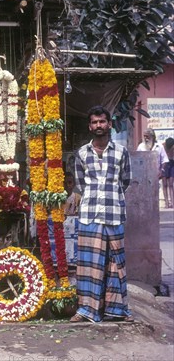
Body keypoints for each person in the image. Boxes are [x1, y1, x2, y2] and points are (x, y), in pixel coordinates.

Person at [70, 105, 133, 323]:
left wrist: (110, 196)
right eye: (95, 122)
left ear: (110, 124)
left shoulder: (121, 152)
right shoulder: (81, 154)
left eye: (102, 121)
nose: (99, 125)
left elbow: (125, 181)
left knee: (116, 263)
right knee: (88, 264)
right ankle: (86, 310)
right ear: (90, 126)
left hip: (114, 213)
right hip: (89, 215)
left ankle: (115, 310)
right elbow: (80, 184)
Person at [136, 128, 169, 207]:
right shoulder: (141, 146)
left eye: (147, 136)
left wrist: (162, 170)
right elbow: (136, 159)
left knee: (154, 195)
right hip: (143, 175)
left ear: (152, 136)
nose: (146, 138)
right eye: (144, 136)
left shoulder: (159, 146)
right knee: (144, 194)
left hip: (155, 175)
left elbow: (165, 160)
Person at [163, 138, 174, 209]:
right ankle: (166, 202)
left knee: (171, 184)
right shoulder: (163, 146)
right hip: (164, 164)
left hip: (172, 163)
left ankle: (172, 202)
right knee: (164, 184)